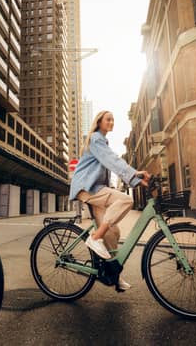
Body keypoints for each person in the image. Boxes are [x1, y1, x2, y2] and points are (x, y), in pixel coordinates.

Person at [69, 111, 150, 291]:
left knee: (112, 233)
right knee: (126, 200)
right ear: (99, 122)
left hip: (95, 189)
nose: (112, 122)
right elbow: (112, 160)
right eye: (108, 119)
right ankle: (94, 238)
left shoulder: (101, 140)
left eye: (113, 119)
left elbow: (112, 162)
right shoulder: (96, 138)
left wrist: (135, 177)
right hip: (87, 188)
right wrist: (134, 175)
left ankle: (114, 276)